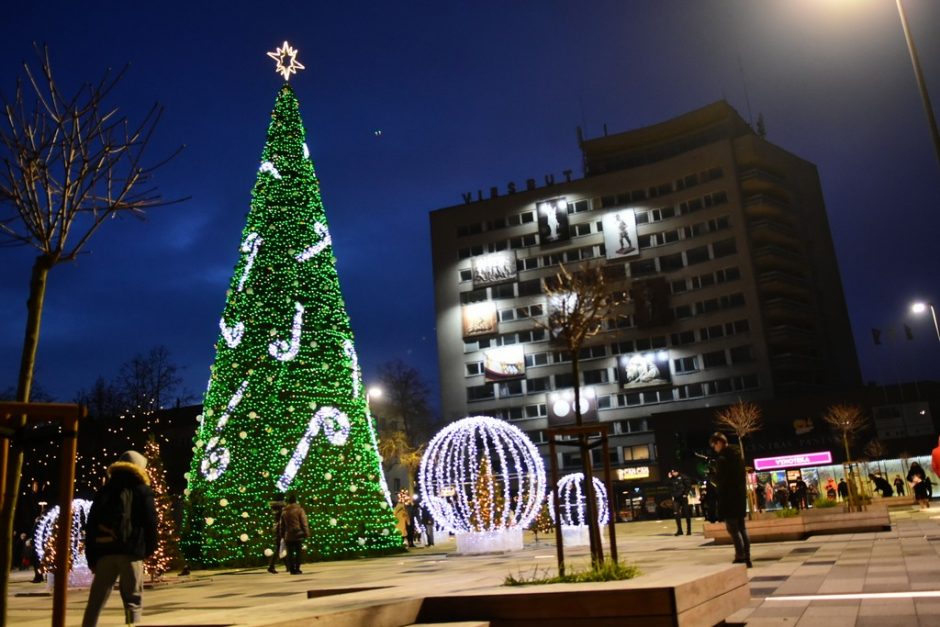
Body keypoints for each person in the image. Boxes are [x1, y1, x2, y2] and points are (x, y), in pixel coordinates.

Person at [82, 450, 158, 627]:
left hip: (105, 552)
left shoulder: (104, 490)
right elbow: (150, 522)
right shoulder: (142, 490)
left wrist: (92, 558)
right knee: (132, 598)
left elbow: (92, 525)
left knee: (96, 599)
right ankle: (132, 625)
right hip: (131, 552)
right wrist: (148, 549)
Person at [709, 432, 750, 568]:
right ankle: (747, 556)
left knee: (733, 529)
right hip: (739, 497)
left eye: (714, 445)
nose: (714, 448)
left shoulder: (723, 458)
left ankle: (740, 556)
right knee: (742, 528)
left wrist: (712, 476)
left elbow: (721, 481)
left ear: (719, 443)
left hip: (728, 498)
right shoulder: (738, 455)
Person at [280, 493, 309, 574]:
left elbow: (282, 525)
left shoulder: (284, 511)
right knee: (298, 553)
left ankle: (292, 569)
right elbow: (304, 522)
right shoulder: (300, 510)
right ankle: (297, 568)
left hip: (288, 535)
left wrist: (282, 534)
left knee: (290, 553)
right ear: (296, 501)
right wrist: (306, 532)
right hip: (298, 534)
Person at [667, 469, 692, 536]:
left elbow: (688, 486)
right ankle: (679, 530)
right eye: (672, 472)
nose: (673, 473)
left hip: (683, 497)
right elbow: (668, 486)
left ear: (677, 471)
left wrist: (685, 494)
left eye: (674, 472)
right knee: (676, 514)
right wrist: (669, 478)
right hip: (676, 498)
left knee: (686, 513)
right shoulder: (672, 479)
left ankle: (689, 530)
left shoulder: (684, 477)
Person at [267, 496, 286, 574]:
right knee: (280, 548)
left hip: (277, 531)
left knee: (281, 548)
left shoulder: (274, 509)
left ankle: (287, 565)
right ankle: (271, 566)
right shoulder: (281, 510)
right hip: (280, 531)